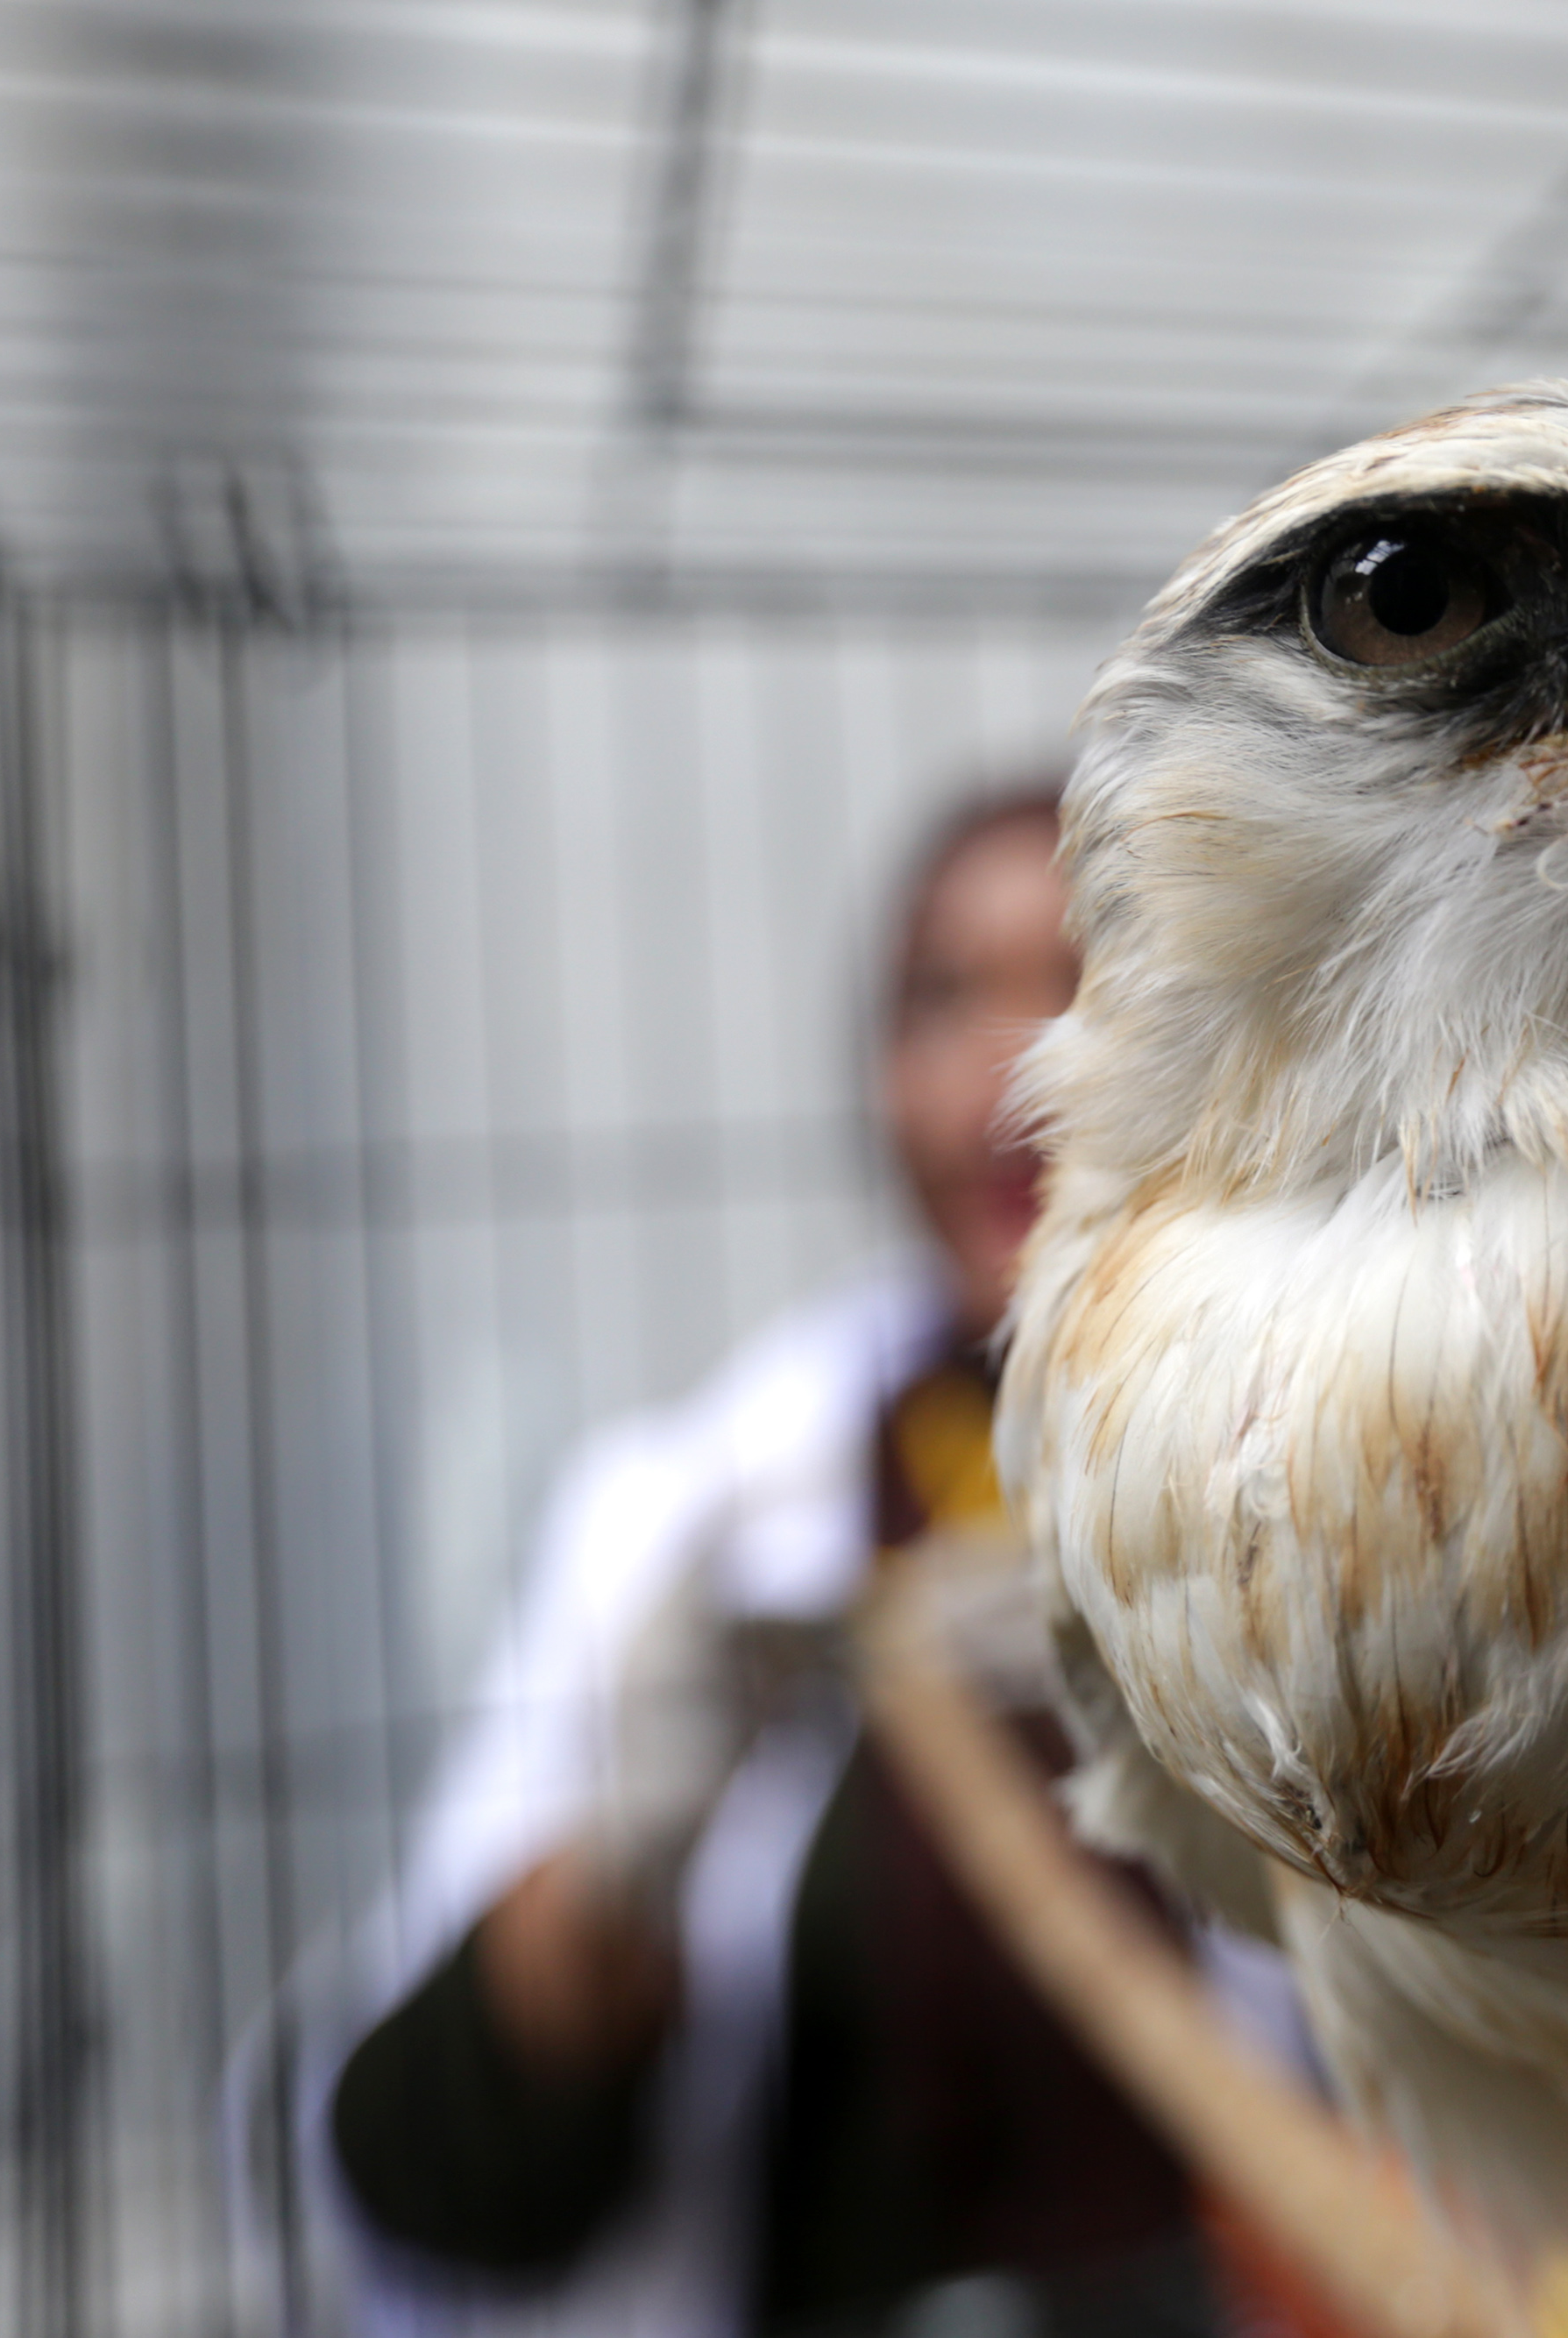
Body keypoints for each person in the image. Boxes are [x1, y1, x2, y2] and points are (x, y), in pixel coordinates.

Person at [323, 785, 1221, 2338]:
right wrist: (623, 1858)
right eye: (947, 998)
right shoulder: (699, 1514)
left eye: (1093, 985)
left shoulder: (1381, 1488)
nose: (1012, 1078)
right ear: (877, 1076)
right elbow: (429, 2183)